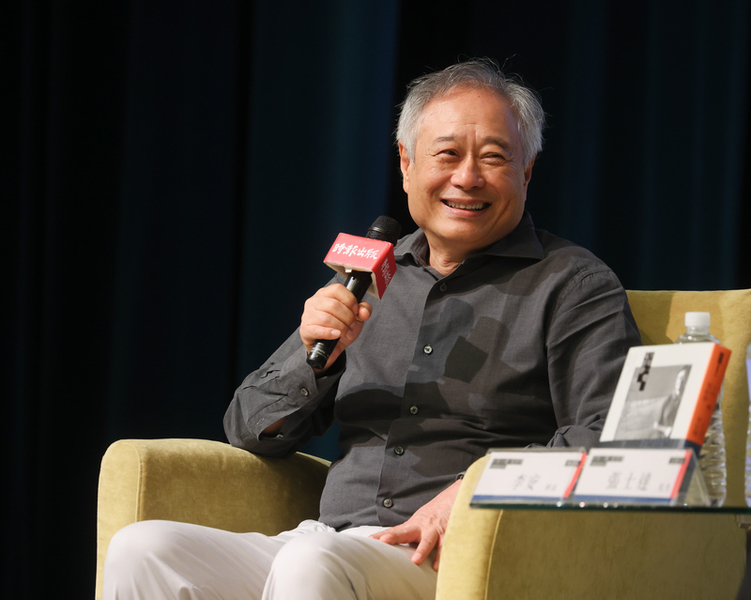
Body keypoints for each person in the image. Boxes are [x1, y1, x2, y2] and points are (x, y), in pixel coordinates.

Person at [103, 58, 641, 600]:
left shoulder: (572, 283)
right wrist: (313, 355)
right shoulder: (373, 276)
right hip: (331, 539)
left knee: (313, 565)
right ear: (406, 164)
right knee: (143, 548)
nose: (467, 177)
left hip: (461, 554)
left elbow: (610, 433)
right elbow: (247, 428)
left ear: (525, 172)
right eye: (447, 154)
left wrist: (474, 491)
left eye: (494, 158)